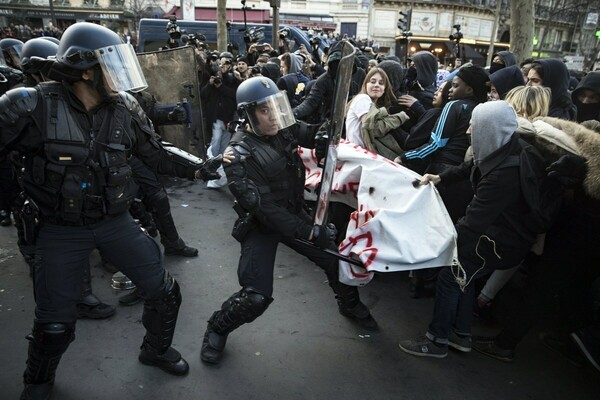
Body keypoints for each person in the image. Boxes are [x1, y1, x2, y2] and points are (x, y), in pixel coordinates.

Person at [0, 22, 220, 399]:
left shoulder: (124, 109)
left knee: (164, 293)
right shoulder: (30, 105)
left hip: (114, 222)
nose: (119, 75)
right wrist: (14, 200)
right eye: (110, 65)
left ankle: (155, 350)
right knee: (53, 325)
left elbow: (156, 152)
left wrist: (200, 167)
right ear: (85, 70)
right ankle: (38, 380)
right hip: (58, 228)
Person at [200, 77, 377, 365]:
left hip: (294, 212)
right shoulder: (239, 156)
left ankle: (349, 304)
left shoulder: (282, 128)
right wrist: (309, 232)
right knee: (255, 297)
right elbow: (266, 210)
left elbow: (311, 131)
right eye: (264, 110)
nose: (273, 116)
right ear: (248, 115)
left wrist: (322, 137)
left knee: (336, 260)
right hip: (261, 226)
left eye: (275, 107)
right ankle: (217, 326)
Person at [397, 101, 555, 358]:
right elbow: (474, 166)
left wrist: (439, 242)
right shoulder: (508, 146)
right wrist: (441, 177)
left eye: (474, 125)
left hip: (501, 241)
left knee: (451, 274)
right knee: (465, 276)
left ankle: (436, 340)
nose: (469, 131)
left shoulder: (503, 176)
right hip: (507, 235)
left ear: (490, 129)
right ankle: (461, 336)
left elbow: (472, 223)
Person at [345, 67, 408, 160]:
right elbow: (372, 128)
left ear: (385, 89)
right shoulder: (363, 98)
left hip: (360, 156)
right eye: (373, 81)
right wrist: (399, 118)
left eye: (381, 83)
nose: (377, 85)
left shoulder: (372, 104)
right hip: (357, 157)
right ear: (365, 85)